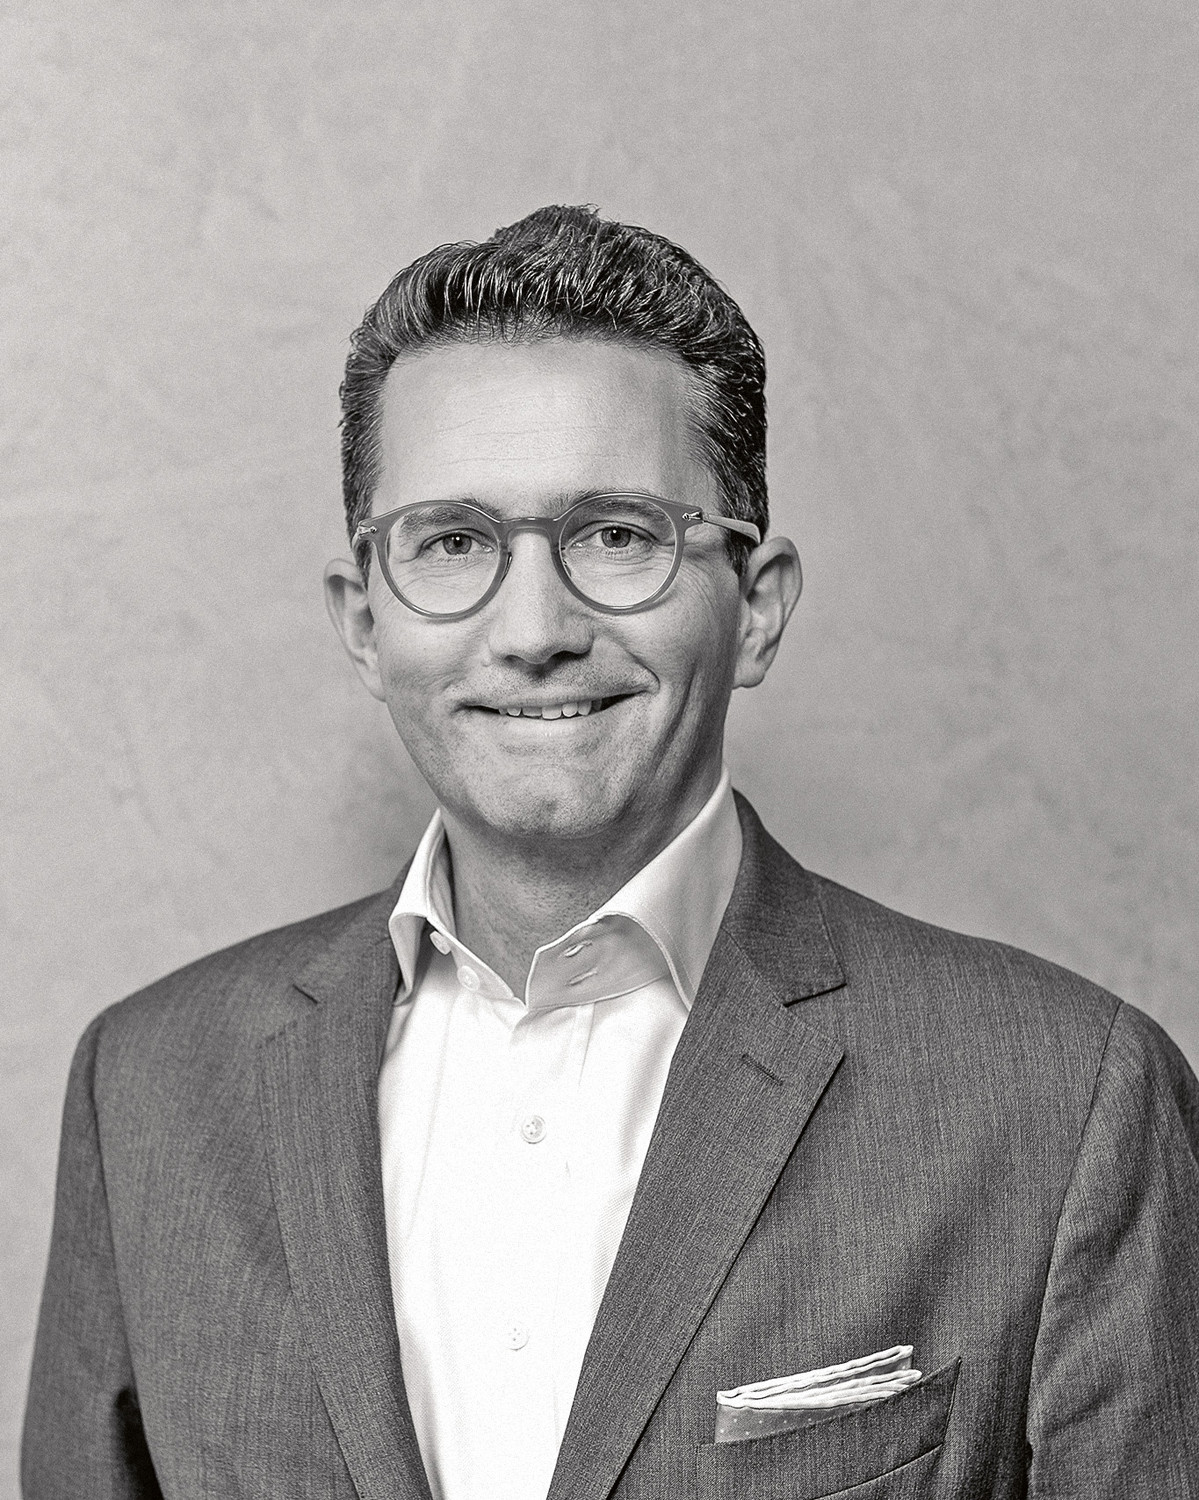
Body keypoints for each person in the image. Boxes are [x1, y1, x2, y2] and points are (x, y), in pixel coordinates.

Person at [22, 205, 1199, 1500]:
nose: (534, 629)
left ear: (757, 608)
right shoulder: (148, 1092)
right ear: (365, 623)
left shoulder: (1066, 1100)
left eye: (618, 535)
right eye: (453, 542)